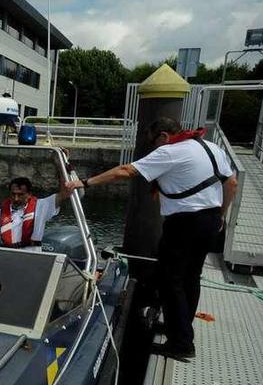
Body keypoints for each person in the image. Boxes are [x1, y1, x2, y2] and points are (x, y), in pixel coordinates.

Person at [65, 117, 238, 361]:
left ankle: (180, 343)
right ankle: (180, 330)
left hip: (183, 223)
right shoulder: (211, 147)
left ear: (164, 136)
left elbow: (125, 171)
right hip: (209, 220)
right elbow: (231, 183)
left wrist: (84, 182)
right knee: (191, 277)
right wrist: (220, 215)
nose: (154, 149)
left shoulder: (169, 151)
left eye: (154, 142)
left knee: (170, 280)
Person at [0, 175, 73, 250]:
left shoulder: (41, 207)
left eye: (20, 195)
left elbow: (65, 192)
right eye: (13, 194)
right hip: (5, 257)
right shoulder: (0, 213)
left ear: (29, 195)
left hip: (31, 259)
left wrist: (60, 165)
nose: (16, 198)